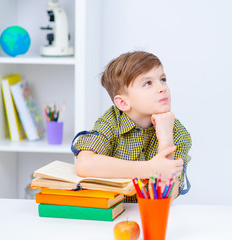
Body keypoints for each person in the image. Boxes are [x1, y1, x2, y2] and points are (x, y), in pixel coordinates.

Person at [71, 51, 191, 202]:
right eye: (148, 83)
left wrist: (166, 140)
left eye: (162, 79)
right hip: (111, 213)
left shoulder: (177, 132)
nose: (162, 88)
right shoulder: (112, 121)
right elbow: (84, 164)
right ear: (123, 103)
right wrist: (151, 169)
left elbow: (163, 199)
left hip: (149, 215)